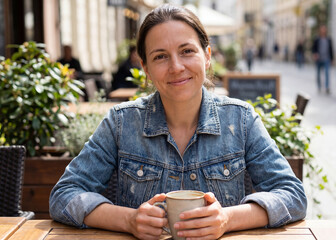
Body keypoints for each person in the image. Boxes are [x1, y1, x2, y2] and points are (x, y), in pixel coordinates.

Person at [49, 4, 306, 240]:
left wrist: (227, 219)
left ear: (207, 56)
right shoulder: (121, 123)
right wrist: (128, 220)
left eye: (187, 51)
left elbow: (293, 195)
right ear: (146, 68)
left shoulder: (241, 120)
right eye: (160, 56)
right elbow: (64, 195)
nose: (176, 66)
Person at [312, 25, 334, 94]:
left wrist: (332, 58)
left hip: (326, 58)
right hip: (319, 59)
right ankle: (319, 87)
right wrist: (315, 54)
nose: (323, 31)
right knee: (318, 74)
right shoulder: (317, 39)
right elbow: (313, 48)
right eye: (322, 29)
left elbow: (331, 49)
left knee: (327, 73)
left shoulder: (328, 39)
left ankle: (327, 87)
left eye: (324, 29)